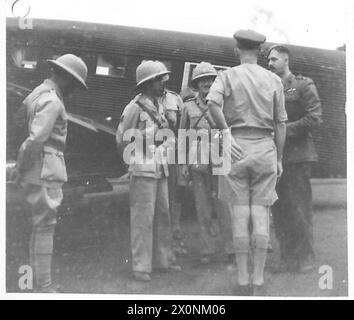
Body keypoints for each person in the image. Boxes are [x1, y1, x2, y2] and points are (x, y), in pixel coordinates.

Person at [207, 30, 287, 295]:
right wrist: (279, 157)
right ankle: (259, 279)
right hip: (265, 148)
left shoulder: (226, 76)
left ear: (236, 50)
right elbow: (280, 124)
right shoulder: (274, 79)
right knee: (261, 214)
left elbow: (212, 105)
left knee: (240, 215)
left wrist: (227, 133)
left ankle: (242, 281)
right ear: (260, 52)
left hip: (236, 149)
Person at [11, 54, 88, 293]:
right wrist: (21, 166)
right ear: (64, 76)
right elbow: (36, 139)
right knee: (45, 226)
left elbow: (18, 124)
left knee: (38, 225)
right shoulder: (54, 101)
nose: (74, 89)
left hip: (35, 169)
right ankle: (43, 287)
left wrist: (21, 166)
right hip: (46, 170)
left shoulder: (35, 93)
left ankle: (35, 283)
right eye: (73, 82)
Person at [116, 60, 180, 282]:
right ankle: (141, 267)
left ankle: (163, 260)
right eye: (159, 80)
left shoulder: (158, 105)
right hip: (143, 169)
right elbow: (122, 138)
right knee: (143, 218)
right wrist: (130, 162)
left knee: (163, 214)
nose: (163, 83)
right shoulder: (134, 107)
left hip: (160, 168)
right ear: (148, 83)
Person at [267, 45, 322, 273]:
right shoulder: (268, 86)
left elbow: (314, 118)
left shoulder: (302, 84)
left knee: (299, 208)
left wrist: (283, 130)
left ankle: (306, 256)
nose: (269, 63)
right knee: (279, 209)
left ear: (286, 60)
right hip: (274, 157)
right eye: (268, 59)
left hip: (297, 157)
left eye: (274, 59)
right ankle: (287, 256)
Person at [179, 62, 235, 265]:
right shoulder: (188, 107)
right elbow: (182, 136)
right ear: (196, 83)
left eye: (211, 80)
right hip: (198, 163)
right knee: (202, 209)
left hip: (220, 162)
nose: (207, 83)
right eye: (202, 80)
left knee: (224, 207)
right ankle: (207, 250)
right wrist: (183, 164)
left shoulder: (223, 104)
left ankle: (231, 249)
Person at [159, 86, 187, 254]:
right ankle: (164, 244)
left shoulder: (175, 98)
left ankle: (175, 236)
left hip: (175, 152)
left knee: (176, 195)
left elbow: (182, 124)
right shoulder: (148, 100)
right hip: (159, 152)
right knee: (163, 199)